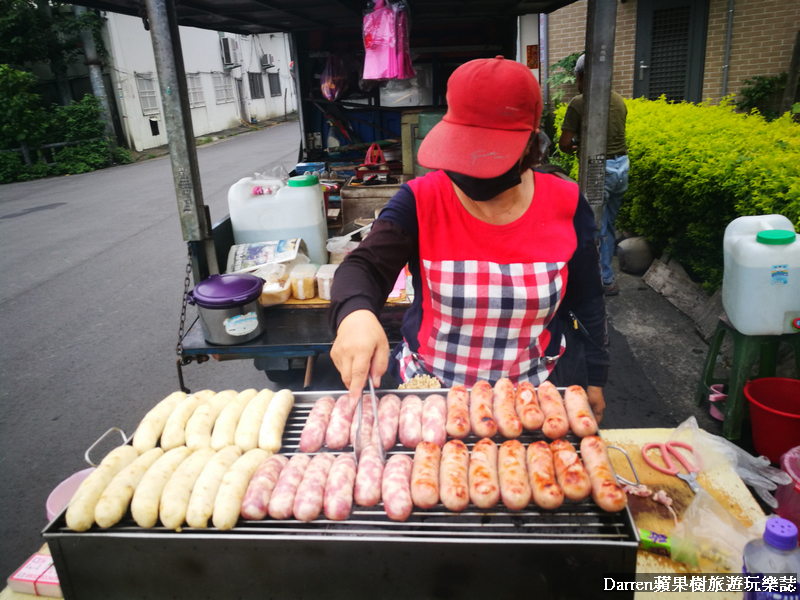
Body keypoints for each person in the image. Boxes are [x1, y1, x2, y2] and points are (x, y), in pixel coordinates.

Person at [329, 56, 609, 421]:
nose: (473, 168)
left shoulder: (567, 204)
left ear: (529, 144)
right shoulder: (420, 200)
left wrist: (597, 376)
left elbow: (587, 298)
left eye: (489, 155)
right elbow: (364, 266)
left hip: (533, 399)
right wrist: (355, 314)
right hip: (433, 395)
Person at [558, 54, 629, 297]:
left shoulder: (580, 102)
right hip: (622, 167)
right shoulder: (619, 99)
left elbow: (564, 144)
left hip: (599, 168)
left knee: (590, 225)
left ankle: (595, 280)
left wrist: (575, 143)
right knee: (608, 225)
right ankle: (606, 278)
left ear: (579, 77)